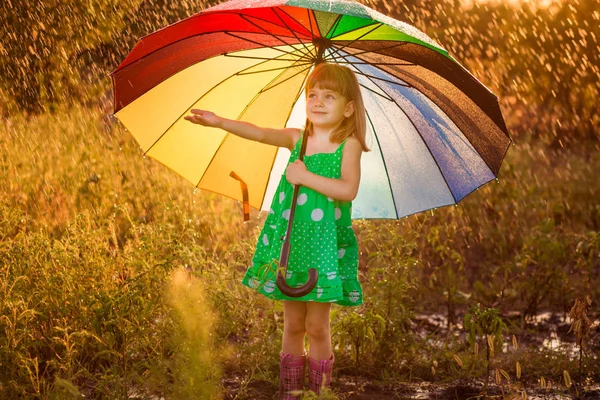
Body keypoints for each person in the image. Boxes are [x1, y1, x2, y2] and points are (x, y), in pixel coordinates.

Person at [185, 63, 369, 398]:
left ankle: (318, 393)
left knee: (316, 326)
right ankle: (290, 392)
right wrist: (219, 122)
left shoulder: (349, 144)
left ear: (349, 107)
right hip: (291, 244)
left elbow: (348, 189)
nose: (318, 101)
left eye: (329, 96)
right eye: (312, 94)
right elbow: (259, 132)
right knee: (294, 324)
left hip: (322, 245)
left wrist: (305, 178)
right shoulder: (297, 140)